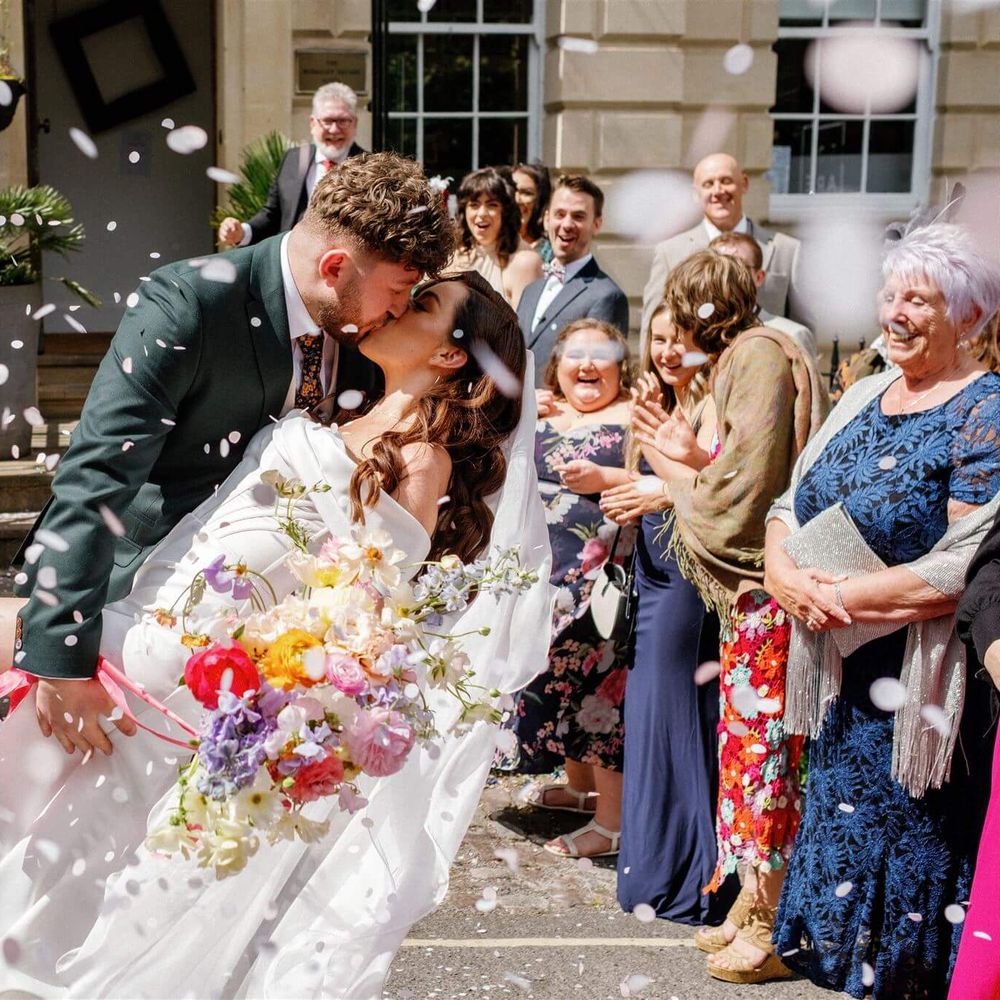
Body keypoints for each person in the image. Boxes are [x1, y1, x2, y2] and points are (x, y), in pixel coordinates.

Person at [0, 271, 554, 998]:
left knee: (76, 873)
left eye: (422, 304)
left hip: (194, 692)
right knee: (32, 839)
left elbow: (364, 617)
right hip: (141, 633)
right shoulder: (328, 410)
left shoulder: (421, 459)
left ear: (451, 355)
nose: (397, 307)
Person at [12, 151, 453, 703]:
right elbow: (97, 474)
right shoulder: (190, 303)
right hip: (139, 594)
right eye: (397, 290)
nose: (400, 310)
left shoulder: (368, 336)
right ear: (335, 267)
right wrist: (60, 655)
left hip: (275, 632)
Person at [765, 223, 1000, 1000]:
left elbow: (966, 562)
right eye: (889, 293)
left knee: (909, 891)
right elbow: (789, 500)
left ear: (968, 316)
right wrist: (782, 573)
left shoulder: (985, 409)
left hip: (919, 695)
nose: (895, 312)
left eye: (918, 300)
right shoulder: (866, 389)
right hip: (844, 680)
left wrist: (835, 598)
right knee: (845, 874)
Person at [630, 249, 827, 985]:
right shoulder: (742, 359)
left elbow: (742, 492)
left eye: (679, 315)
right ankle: (751, 899)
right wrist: (685, 459)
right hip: (751, 600)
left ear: (697, 310)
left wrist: (671, 465)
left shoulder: (758, 357)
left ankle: (773, 922)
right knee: (744, 749)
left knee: (765, 754)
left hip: (770, 593)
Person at [601, 298, 728, 925]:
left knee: (675, 710)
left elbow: (716, 490)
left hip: (686, 578)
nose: (667, 351)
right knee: (648, 712)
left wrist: (653, 456)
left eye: (679, 338)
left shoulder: (712, 407)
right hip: (651, 571)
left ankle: (685, 874)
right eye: (656, 339)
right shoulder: (661, 404)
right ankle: (653, 863)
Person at [513, 318, 635, 860]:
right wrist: (518, 410)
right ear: (556, 365)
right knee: (558, 683)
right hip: (544, 576)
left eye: (600, 354)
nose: (586, 365)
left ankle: (612, 825)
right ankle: (581, 789)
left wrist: (606, 479)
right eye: (574, 354)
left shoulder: (635, 416)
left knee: (600, 693)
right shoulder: (541, 410)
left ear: (621, 367)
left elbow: (664, 483)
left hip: (602, 581)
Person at [640, 153, 807, 346]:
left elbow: (802, 328)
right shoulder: (670, 253)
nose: (718, 191)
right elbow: (652, 329)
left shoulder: (787, 250)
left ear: (744, 184)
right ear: (695, 193)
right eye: (708, 184)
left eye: (726, 181)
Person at [217, 81, 367, 248]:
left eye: (343, 121)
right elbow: (272, 215)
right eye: (327, 121)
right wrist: (242, 232)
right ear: (313, 123)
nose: (334, 129)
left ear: (355, 124)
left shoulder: (368, 168)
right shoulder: (293, 160)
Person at [517, 175, 630, 385]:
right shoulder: (531, 290)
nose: (567, 224)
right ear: (547, 219)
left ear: (597, 224)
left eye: (578, 216)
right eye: (560, 214)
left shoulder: (607, 297)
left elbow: (598, 378)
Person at [710, 232, 818, 358]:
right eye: (716, 267)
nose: (726, 276)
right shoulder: (695, 336)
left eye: (739, 267)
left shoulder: (792, 336)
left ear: (759, 277)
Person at [448, 167, 542, 309]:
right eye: (474, 205)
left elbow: (525, 321)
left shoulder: (525, 262)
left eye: (492, 205)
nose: (482, 213)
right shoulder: (454, 256)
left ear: (505, 212)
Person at [512, 162, 553, 264]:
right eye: (512, 191)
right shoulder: (491, 247)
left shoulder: (552, 254)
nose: (517, 200)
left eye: (527, 193)